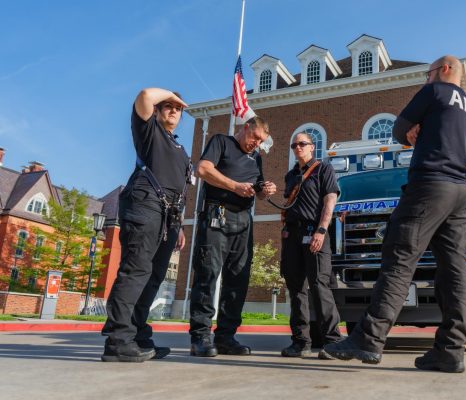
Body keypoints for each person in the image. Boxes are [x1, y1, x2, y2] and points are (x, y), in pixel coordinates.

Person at [325, 55, 466, 373]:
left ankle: (368, 339)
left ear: (445, 70)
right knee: (455, 272)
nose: (426, 78)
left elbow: (399, 128)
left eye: (429, 73)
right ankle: (450, 351)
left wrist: (407, 134)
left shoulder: (436, 92)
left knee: (399, 260)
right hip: (461, 192)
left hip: (430, 185)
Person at [101, 88, 191, 362]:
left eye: (178, 108)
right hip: (145, 205)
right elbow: (143, 95)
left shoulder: (180, 149)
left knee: (153, 277)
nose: (174, 110)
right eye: (168, 105)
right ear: (157, 109)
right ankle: (118, 341)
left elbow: (181, 188)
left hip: (170, 216)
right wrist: (174, 96)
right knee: (136, 270)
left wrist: (181, 225)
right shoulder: (149, 133)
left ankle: (138, 335)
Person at [189, 117, 276, 357]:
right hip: (218, 214)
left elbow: (257, 188)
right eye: (255, 137)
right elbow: (203, 169)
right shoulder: (221, 142)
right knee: (207, 273)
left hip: (243, 219)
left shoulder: (256, 157)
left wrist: (264, 190)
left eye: (261, 141)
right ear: (245, 127)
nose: (256, 144)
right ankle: (200, 337)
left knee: (238, 278)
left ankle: (226, 336)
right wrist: (234, 186)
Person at [279, 132, 343, 360]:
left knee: (320, 286)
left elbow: (330, 199)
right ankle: (300, 342)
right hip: (292, 236)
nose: (298, 147)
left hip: (314, 232)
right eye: (294, 144)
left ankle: (333, 342)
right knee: (296, 290)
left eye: (302, 144)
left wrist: (322, 230)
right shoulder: (290, 176)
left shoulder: (323, 169)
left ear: (312, 147)